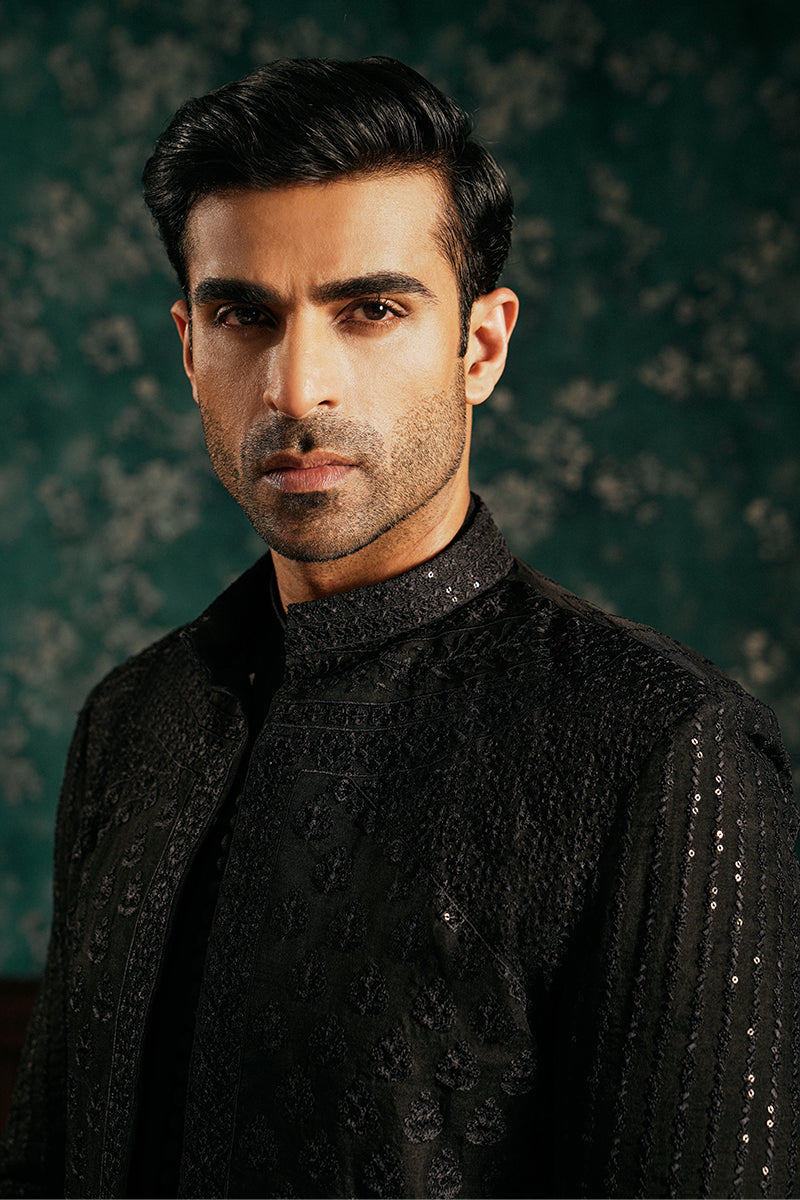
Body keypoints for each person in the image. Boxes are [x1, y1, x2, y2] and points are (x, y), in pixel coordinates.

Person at [1, 56, 799, 1200]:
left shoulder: (664, 749)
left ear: (480, 347)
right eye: (242, 315)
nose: (296, 389)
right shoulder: (134, 719)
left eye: (369, 310)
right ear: (187, 348)